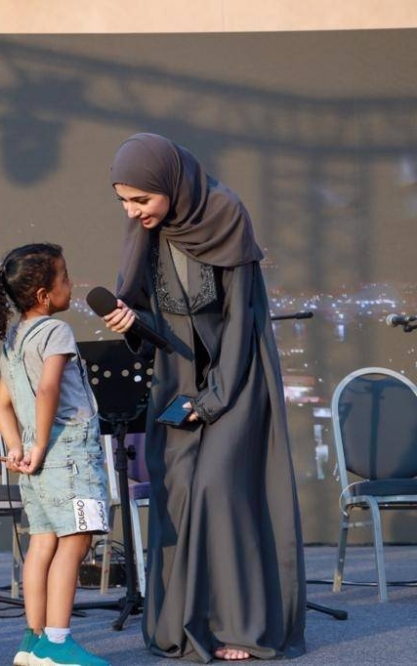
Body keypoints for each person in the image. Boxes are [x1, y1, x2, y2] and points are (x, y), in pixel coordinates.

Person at [102, 133, 307, 662]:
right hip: (177, 377)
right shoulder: (147, 230)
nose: (132, 211)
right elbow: (159, 317)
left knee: (221, 487)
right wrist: (132, 322)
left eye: (141, 200)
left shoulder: (226, 214)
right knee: (180, 490)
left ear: (170, 183)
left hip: (238, 376)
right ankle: (185, 624)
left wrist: (214, 399)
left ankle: (242, 626)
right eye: (125, 201)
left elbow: (240, 321)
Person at [0, 243, 110, 666]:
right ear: (43, 295)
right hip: (70, 451)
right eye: (65, 278)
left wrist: (19, 448)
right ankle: (58, 643)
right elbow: (49, 389)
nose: (71, 285)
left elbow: (2, 405)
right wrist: (36, 446)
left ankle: (31, 644)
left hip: (35, 461)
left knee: (42, 543)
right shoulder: (55, 331)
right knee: (77, 539)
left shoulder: (12, 340)